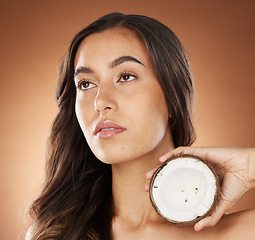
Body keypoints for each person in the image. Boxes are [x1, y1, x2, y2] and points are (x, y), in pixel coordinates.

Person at [26, 12, 255, 239]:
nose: (100, 102)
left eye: (125, 76)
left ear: (173, 98)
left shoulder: (243, 232)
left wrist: (249, 165)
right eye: (86, 84)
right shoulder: (53, 234)